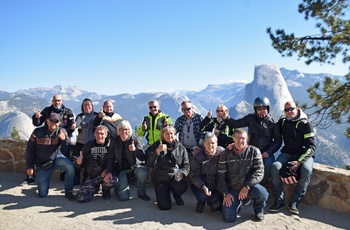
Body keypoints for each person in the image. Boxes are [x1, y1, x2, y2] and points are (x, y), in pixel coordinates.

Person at [269, 101, 316, 215]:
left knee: (306, 170)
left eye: (291, 109)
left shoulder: (306, 124)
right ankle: (279, 200)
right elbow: (271, 128)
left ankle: (294, 202)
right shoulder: (283, 121)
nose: (289, 112)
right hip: (288, 153)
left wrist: (300, 161)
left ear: (297, 108)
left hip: (304, 154)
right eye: (286, 110)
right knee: (275, 167)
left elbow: (311, 147)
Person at [225, 97, 282, 185]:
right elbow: (236, 124)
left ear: (268, 109)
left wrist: (268, 152)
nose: (262, 111)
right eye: (259, 109)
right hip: (251, 151)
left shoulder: (273, 122)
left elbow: (278, 140)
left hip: (266, 152)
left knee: (267, 166)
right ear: (255, 110)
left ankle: (261, 187)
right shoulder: (250, 118)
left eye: (264, 108)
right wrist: (226, 118)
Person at [217, 128, 268, 222]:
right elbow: (221, 175)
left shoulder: (254, 151)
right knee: (228, 218)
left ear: (247, 139)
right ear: (233, 138)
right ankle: (238, 203)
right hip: (232, 188)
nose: (241, 141)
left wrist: (247, 187)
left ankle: (259, 210)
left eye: (243, 138)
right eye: (238, 138)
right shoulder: (225, 154)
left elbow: (259, 171)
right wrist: (226, 193)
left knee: (262, 193)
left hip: (250, 187)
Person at [26, 113, 75, 200]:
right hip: (43, 163)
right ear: (47, 121)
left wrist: (63, 140)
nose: (54, 123)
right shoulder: (37, 132)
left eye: (56, 121)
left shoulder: (61, 131)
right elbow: (30, 150)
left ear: (59, 123)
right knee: (43, 194)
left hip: (56, 158)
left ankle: (69, 191)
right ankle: (41, 184)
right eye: (51, 120)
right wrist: (30, 166)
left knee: (70, 166)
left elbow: (66, 149)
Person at [32, 94, 75, 181]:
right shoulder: (47, 110)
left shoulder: (67, 111)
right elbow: (38, 123)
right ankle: (38, 171)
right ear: (52, 101)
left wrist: (66, 133)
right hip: (49, 137)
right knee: (42, 152)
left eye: (59, 100)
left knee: (65, 151)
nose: (57, 102)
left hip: (62, 137)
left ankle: (63, 172)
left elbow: (71, 126)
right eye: (55, 100)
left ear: (62, 101)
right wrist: (36, 117)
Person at [146, 124, 190, 210]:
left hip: (175, 176)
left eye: (171, 133)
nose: (169, 136)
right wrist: (157, 151)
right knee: (164, 207)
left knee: (182, 186)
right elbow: (150, 163)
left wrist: (183, 173)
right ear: (162, 135)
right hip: (161, 178)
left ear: (174, 134)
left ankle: (176, 195)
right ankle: (164, 192)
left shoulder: (180, 147)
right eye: (167, 134)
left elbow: (186, 165)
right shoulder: (156, 145)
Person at [104, 120, 150, 201]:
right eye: (121, 129)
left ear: (129, 130)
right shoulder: (114, 141)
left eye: (126, 129)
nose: (124, 131)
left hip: (135, 166)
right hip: (122, 169)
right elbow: (111, 158)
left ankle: (141, 193)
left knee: (143, 172)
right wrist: (109, 171)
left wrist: (135, 150)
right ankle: (117, 188)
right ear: (118, 130)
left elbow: (143, 157)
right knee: (123, 198)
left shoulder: (135, 139)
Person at [75, 125, 118, 202]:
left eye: (102, 133)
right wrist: (79, 163)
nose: (99, 136)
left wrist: (108, 171)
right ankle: (95, 187)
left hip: (106, 174)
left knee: (113, 180)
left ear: (106, 135)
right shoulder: (88, 145)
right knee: (81, 198)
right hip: (92, 176)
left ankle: (105, 189)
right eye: (97, 133)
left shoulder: (111, 146)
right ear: (94, 134)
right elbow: (81, 163)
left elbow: (115, 161)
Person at [190, 133, 224, 214]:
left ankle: (211, 202)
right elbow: (195, 175)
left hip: (216, 185)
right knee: (202, 197)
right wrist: (203, 186)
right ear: (204, 144)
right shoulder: (198, 156)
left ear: (217, 144)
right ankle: (201, 203)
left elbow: (233, 151)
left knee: (216, 207)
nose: (210, 145)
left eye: (213, 143)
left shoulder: (222, 152)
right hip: (201, 184)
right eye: (208, 143)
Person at [72, 98, 98, 185]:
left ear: (92, 106)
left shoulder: (97, 116)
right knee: (75, 159)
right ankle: (76, 177)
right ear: (82, 107)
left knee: (90, 161)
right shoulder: (80, 116)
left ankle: (86, 178)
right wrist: (74, 125)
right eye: (85, 105)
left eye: (88, 105)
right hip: (80, 142)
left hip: (92, 143)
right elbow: (77, 123)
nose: (87, 107)